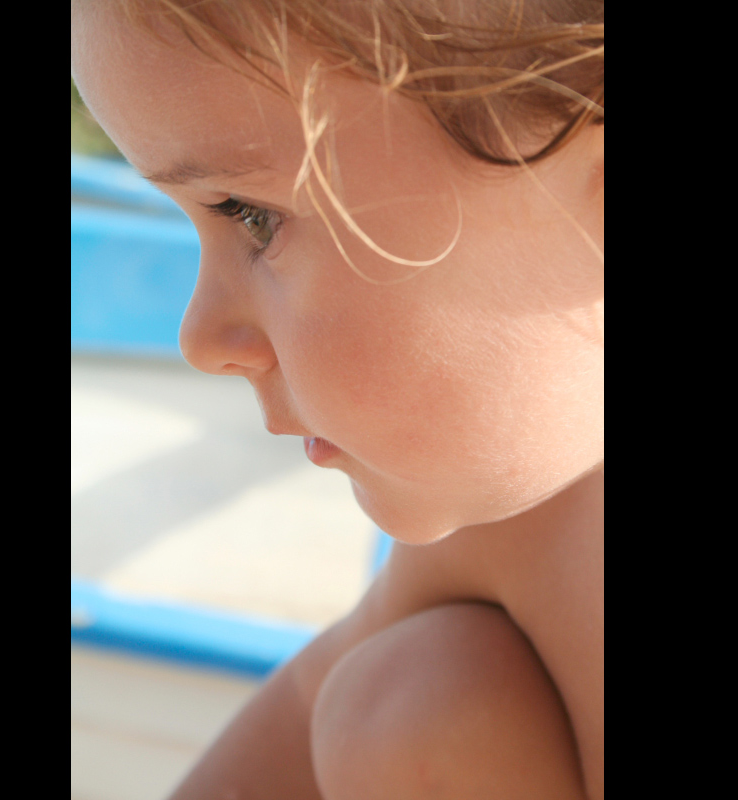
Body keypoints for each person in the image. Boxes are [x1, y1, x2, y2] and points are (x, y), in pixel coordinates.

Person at [71, 0, 604, 797]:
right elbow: (295, 719)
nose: (200, 339)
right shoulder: (529, 529)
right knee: (410, 699)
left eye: (254, 218)